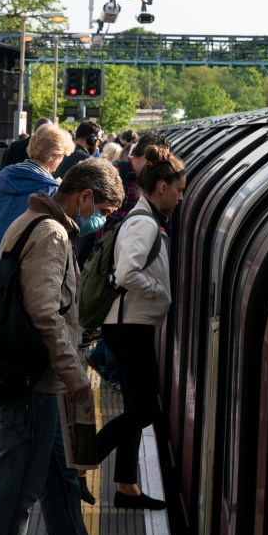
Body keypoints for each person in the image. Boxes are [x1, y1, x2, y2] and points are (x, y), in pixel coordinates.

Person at [0, 158, 127, 535]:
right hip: (35, 379)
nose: (102, 221)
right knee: (18, 484)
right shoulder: (52, 234)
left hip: (40, 377)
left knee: (58, 479)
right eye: (105, 212)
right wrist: (75, 376)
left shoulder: (34, 218)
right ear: (85, 197)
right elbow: (44, 312)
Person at [86, 145, 186, 510]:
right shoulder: (144, 224)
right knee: (146, 409)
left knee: (135, 405)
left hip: (130, 325)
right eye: (178, 189)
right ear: (162, 187)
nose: (180, 196)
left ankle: (126, 486)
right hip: (128, 326)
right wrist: (161, 292)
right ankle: (83, 461)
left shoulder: (144, 219)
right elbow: (127, 273)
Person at [85, 131, 171, 387]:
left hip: (126, 255)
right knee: (117, 316)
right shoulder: (112, 174)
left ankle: (108, 362)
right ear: (143, 156)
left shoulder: (147, 182)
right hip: (109, 258)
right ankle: (114, 371)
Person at [0, 123, 73, 274]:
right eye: (62, 156)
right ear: (53, 155)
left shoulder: (2, 176)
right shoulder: (50, 189)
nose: (62, 160)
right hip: (11, 262)